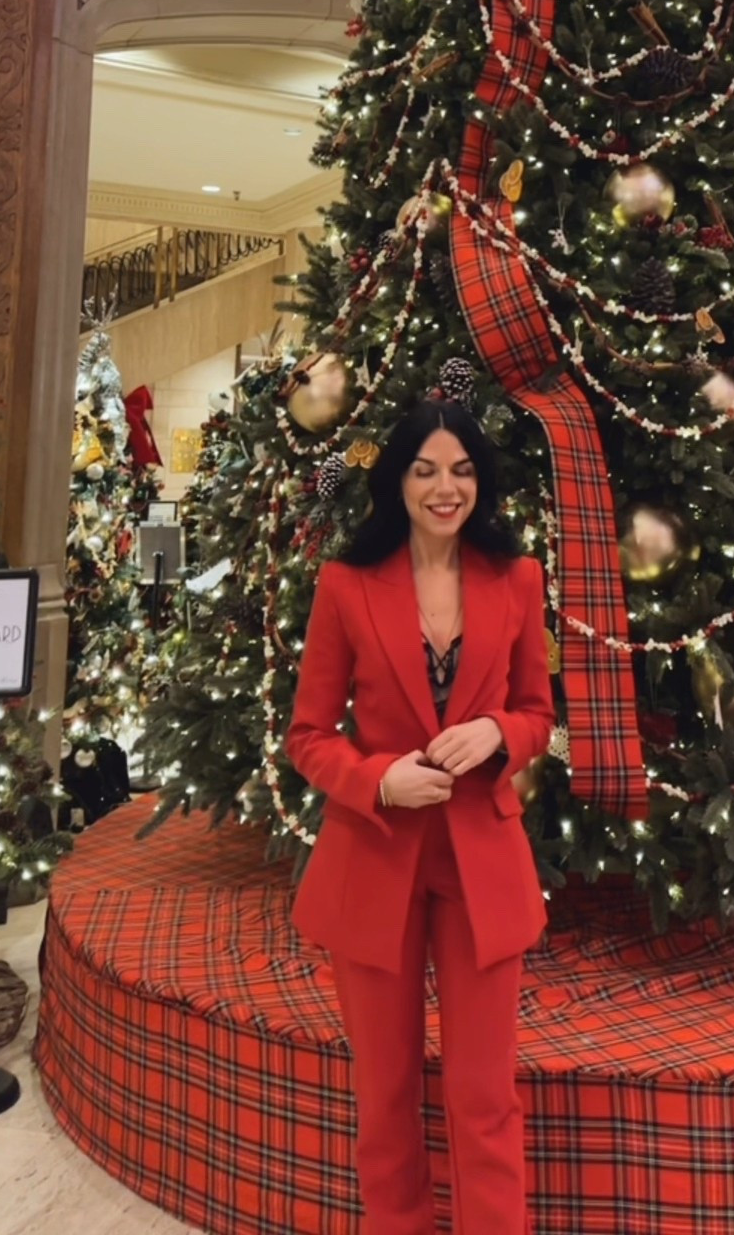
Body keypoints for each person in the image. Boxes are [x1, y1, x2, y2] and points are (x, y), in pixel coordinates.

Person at [287, 395, 554, 1235]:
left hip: (481, 862)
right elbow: (306, 737)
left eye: (464, 471)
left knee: (484, 1097)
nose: (447, 488)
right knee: (385, 1093)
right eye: (427, 469)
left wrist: (497, 732)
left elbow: (539, 714)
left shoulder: (517, 578)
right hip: (375, 860)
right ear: (398, 479)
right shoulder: (345, 584)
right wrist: (377, 781)